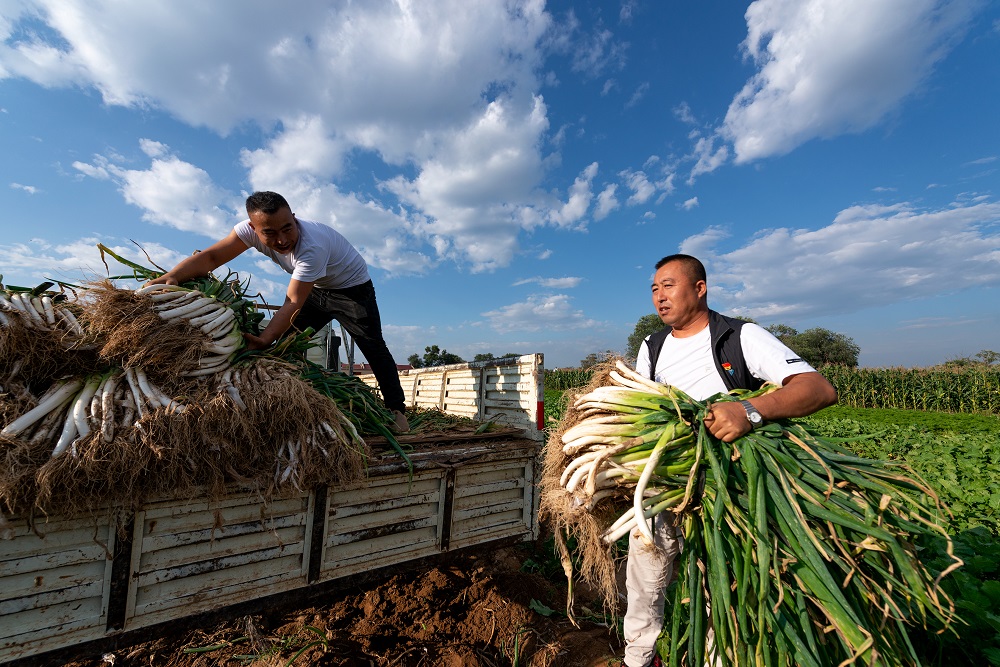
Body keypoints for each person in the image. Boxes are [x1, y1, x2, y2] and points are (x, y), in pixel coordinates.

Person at [623, 253, 838, 667]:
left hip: (731, 491)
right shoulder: (652, 348)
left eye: (668, 285)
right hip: (664, 485)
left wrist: (750, 411)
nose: (659, 297)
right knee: (645, 578)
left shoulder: (741, 336)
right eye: (654, 289)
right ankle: (639, 658)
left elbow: (818, 388)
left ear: (699, 288)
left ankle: (715, 654)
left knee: (719, 582)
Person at [146, 190, 409, 432]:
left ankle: (397, 409)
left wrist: (264, 338)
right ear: (253, 228)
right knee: (286, 343)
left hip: (352, 290)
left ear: (294, 218)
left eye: (288, 228)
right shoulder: (246, 232)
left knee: (372, 345)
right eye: (270, 233)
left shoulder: (312, 247)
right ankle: (283, 399)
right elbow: (212, 258)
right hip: (316, 289)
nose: (282, 239)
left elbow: (292, 302)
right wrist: (173, 277)